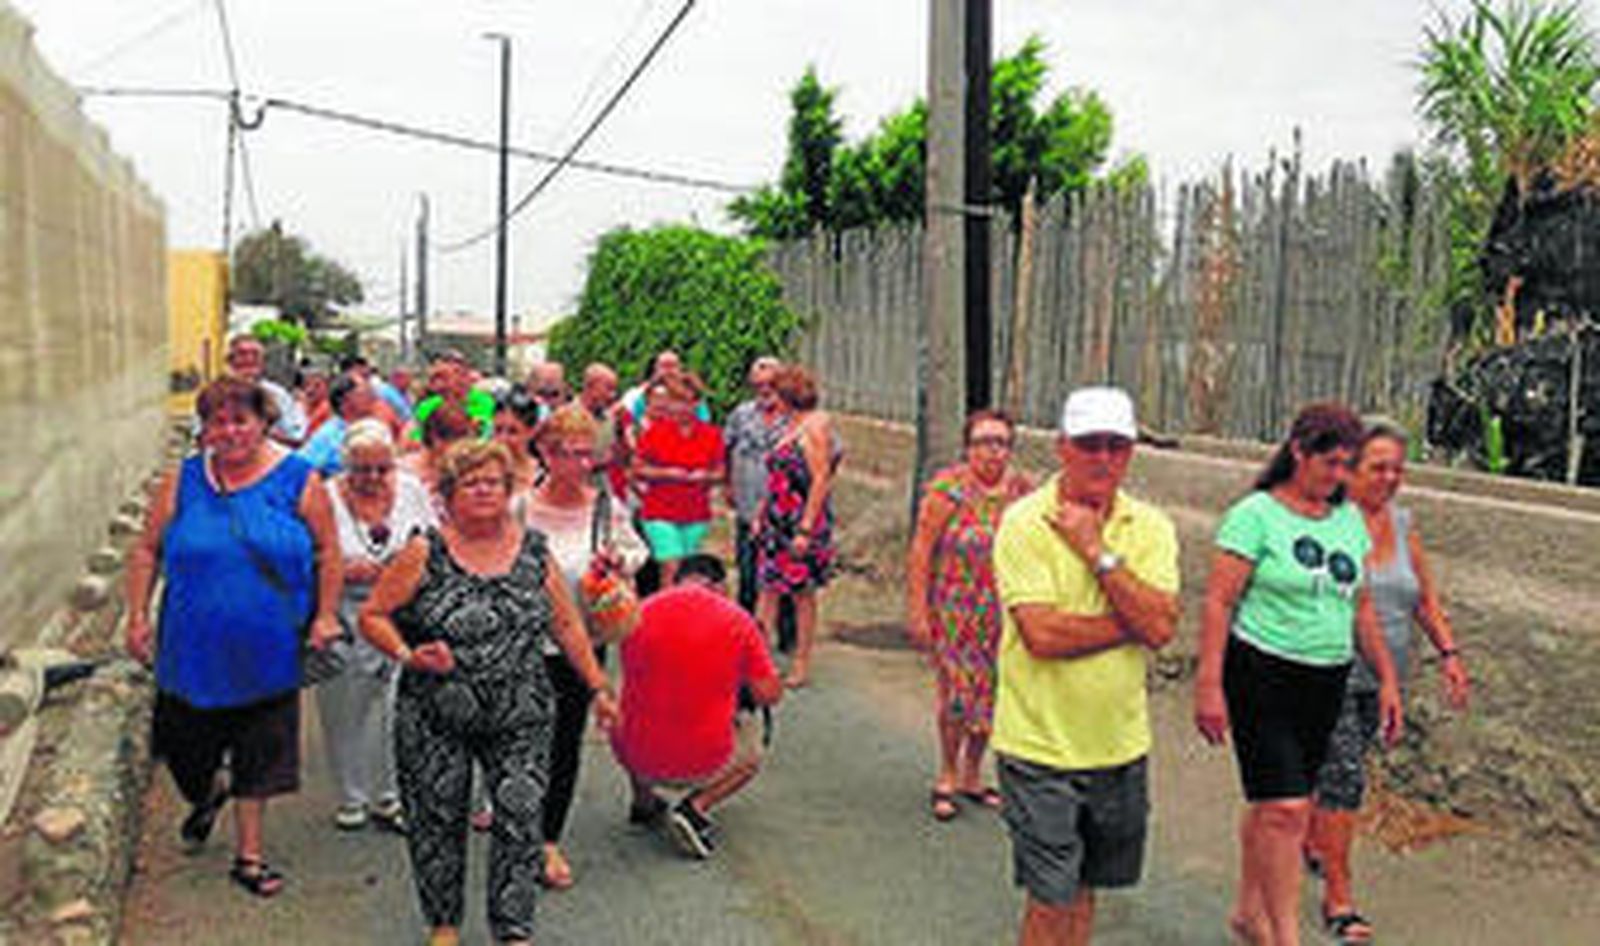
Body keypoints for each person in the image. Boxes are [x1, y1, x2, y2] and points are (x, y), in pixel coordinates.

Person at [359, 440, 619, 946]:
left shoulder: (533, 551)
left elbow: (566, 625)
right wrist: (409, 655)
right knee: (437, 818)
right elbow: (373, 615)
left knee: (521, 819)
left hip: (521, 710)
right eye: (471, 483)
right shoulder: (423, 552)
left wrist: (599, 686)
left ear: (508, 491)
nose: (484, 492)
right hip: (435, 712)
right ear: (449, 496)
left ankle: (513, 928)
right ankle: (444, 924)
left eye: (494, 483)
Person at [1193, 402, 1404, 946]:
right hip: (1261, 671)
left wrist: (1387, 679)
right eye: (1330, 463)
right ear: (1298, 452)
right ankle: (1286, 936)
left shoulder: (1347, 522)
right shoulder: (1256, 515)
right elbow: (1218, 601)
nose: (1338, 477)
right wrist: (1209, 684)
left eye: (1346, 466)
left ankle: (1247, 911)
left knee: (1278, 803)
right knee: (1287, 808)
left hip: (1326, 678)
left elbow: (1359, 608)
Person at [124, 377, 342, 897]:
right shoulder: (183, 479)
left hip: (268, 648)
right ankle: (207, 791)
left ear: (263, 422)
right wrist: (136, 616)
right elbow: (146, 550)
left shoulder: (299, 479)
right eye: (218, 421)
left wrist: (325, 616)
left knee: (259, 752)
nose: (230, 431)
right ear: (206, 428)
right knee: (184, 751)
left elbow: (328, 552)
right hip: (190, 647)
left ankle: (249, 856)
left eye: (240, 419)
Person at [990, 386, 1180, 946]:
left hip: (1118, 744)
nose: (1103, 458)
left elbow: (1164, 629)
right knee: (1051, 898)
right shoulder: (1025, 522)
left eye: (1116, 446)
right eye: (1089, 444)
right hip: (1038, 745)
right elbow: (1042, 635)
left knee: (1086, 886)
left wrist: (1096, 552)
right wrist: (1132, 619)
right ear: (1061, 447)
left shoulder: (1151, 527)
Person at [1303, 418, 1470, 945]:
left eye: (1399, 468)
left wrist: (1449, 652)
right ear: (1349, 470)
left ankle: (1311, 835)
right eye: (1379, 467)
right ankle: (1339, 896)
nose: (1390, 478)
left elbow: (1423, 598)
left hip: (1381, 676)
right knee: (1347, 777)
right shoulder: (1325, 523)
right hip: (1327, 670)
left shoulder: (1402, 525)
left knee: (1335, 773)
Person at [519, 403, 647, 887]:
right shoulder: (519, 506)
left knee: (564, 743)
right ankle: (519, 827)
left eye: (586, 454)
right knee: (521, 742)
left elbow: (638, 551)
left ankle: (548, 840)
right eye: (567, 453)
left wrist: (620, 560)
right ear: (546, 454)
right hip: (524, 643)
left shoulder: (605, 507)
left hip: (584, 643)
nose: (579, 463)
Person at [609, 554, 783, 860]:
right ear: (720, 586)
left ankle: (643, 800)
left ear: (677, 580)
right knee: (753, 743)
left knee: (632, 706)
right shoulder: (738, 621)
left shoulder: (637, 612)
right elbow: (768, 695)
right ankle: (695, 807)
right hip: (702, 761)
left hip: (635, 753)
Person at [906, 409, 1034, 821]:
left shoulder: (1022, 491)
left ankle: (972, 775)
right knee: (957, 695)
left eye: (1001, 442)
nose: (993, 451)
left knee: (992, 695)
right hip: (954, 610)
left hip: (1003, 612)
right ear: (968, 447)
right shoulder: (948, 491)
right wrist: (918, 610)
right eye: (983, 442)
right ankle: (945, 773)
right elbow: (922, 550)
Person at [317, 419, 436, 832]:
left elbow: (432, 541)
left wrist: (407, 567)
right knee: (344, 710)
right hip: (347, 613)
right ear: (346, 466)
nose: (372, 479)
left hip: (402, 614)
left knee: (400, 709)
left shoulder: (412, 490)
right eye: (361, 470)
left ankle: (393, 796)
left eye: (381, 469)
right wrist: (340, 569)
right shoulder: (326, 496)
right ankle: (352, 797)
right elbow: (308, 552)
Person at [754, 364, 840, 688]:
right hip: (777, 519)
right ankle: (759, 660)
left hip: (800, 519)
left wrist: (805, 528)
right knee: (768, 589)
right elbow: (775, 477)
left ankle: (801, 663)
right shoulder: (788, 425)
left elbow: (821, 479)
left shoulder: (814, 427)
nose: (770, 397)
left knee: (802, 593)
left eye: (775, 391)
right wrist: (763, 513)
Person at [724, 356, 798, 652]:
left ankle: (787, 635)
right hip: (748, 504)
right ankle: (746, 636)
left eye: (771, 384)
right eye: (758, 385)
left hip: (785, 511)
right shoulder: (741, 414)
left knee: (787, 575)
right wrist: (727, 484)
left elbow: (831, 452)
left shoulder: (796, 416)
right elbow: (726, 449)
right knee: (748, 572)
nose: (764, 390)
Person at [633, 374, 725, 586]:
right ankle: (667, 614)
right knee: (671, 566)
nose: (681, 408)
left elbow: (721, 472)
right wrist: (668, 474)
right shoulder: (655, 432)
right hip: (660, 510)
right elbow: (637, 469)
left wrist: (706, 476)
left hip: (695, 511)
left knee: (688, 570)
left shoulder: (711, 434)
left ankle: (684, 613)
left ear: (696, 403)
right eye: (676, 401)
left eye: (687, 401)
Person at [224, 335, 307, 445]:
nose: (249, 359)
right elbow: (201, 436)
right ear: (230, 361)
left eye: (255, 354)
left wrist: (264, 434)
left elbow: (297, 437)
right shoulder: (216, 394)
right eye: (242, 354)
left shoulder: (278, 395)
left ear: (262, 362)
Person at [299, 373, 381, 476]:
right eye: (365, 392)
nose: (374, 397)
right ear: (346, 400)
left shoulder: (366, 428)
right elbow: (305, 469)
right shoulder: (332, 436)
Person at [402, 399, 478, 502]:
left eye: (465, 437)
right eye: (452, 438)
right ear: (433, 437)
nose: (459, 447)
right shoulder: (405, 471)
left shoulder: (471, 468)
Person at [492, 387, 543, 496]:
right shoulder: (481, 471)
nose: (502, 439)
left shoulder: (545, 474)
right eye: (498, 430)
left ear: (531, 432)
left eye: (513, 432)